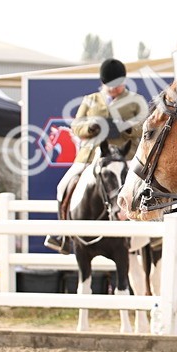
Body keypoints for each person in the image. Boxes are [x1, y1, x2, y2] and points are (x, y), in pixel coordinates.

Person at [45, 58, 149, 253]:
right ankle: (64, 235)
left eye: (117, 86)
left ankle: (150, 234)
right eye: (109, 86)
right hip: (92, 156)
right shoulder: (90, 100)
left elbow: (144, 125)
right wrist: (91, 127)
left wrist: (123, 128)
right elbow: (76, 126)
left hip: (123, 157)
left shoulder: (136, 101)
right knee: (62, 186)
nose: (113, 90)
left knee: (144, 189)